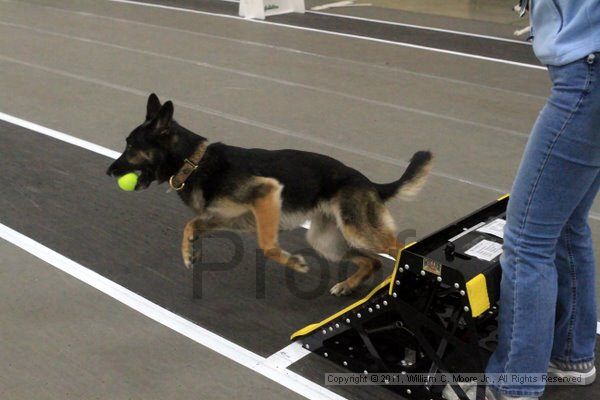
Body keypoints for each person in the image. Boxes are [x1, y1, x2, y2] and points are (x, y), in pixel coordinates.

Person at [484, 1, 600, 399]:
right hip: (588, 70)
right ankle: (570, 355)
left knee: (526, 243)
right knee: (567, 224)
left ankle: (514, 387)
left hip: (587, 76)